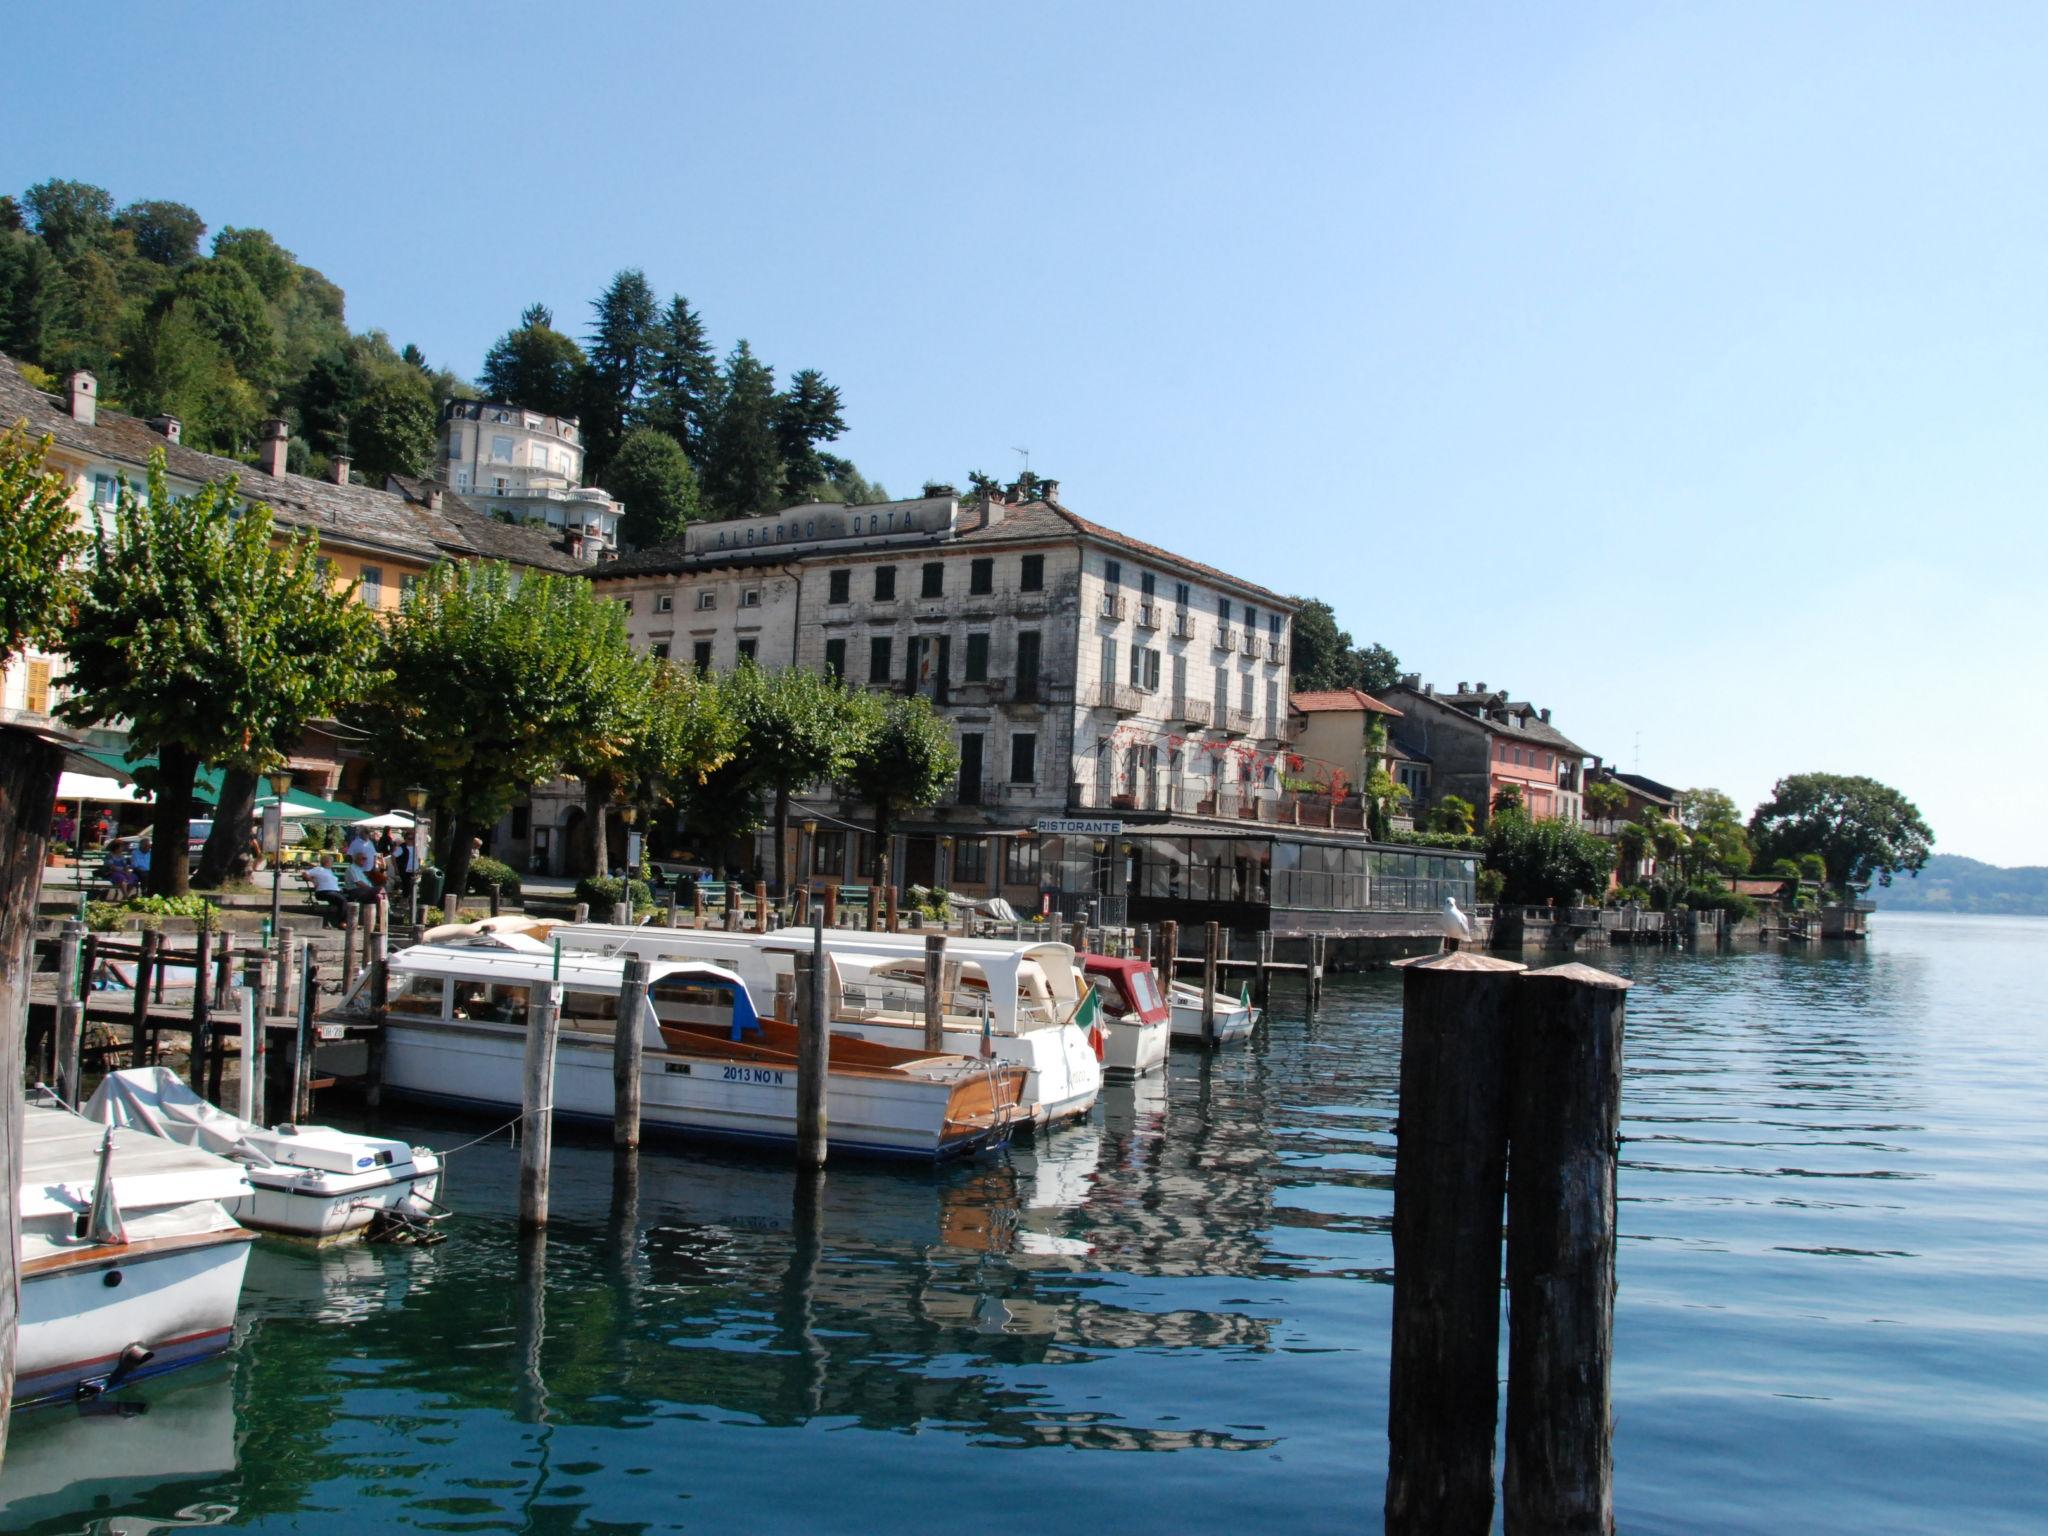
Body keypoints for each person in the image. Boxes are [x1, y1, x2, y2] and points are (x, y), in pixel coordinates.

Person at [305, 857, 347, 928]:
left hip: (335, 892)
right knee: (342, 900)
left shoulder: (330, 871)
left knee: (350, 899)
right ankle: (342, 922)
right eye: (332, 862)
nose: (332, 864)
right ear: (327, 862)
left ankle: (349, 922)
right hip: (323, 892)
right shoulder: (318, 869)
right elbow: (305, 873)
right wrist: (312, 880)